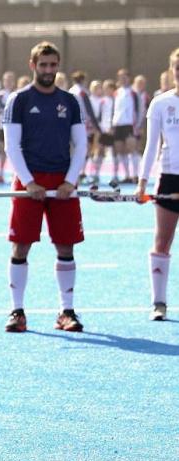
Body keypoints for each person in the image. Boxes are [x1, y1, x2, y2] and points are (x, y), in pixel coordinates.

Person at [1, 41, 87, 333]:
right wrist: (29, 182)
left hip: (62, 182)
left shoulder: (70, 101)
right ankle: (17, 311)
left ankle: (66, 312)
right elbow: (11, 146)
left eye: (53, 65)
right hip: (29, 181)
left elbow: (81, 145)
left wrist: (70, 181)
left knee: (65, 245)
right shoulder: (19, 100)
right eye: (43, 65)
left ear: (58, 66)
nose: (48, 70)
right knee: (21, 245)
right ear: (33, 65)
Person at [136, 48, 179, 321]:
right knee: (162, 240)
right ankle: (159, 303)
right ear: (172, 70)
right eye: (178, 68)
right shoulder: (161, 104)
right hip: (169, 177)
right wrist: (142, 182)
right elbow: (151, 146)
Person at [69, 71, 100, 184]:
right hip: (83, 125)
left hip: (71, 124)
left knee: (74, 149)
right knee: (84, 149)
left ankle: (75, 173)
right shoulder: (82, 92)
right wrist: (97, 127)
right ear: (83, 80)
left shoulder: (70, 91)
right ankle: (80, 172)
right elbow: (89, 110)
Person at [112, 68, 139, 183]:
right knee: (120, 150)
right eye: (120, 77)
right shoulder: (116, 92)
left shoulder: (133, 93)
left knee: (131, 148)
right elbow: (113, 109)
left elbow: (138, 109)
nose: (122, 79)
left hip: (129, 125)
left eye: (124, 77)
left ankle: (136, 175)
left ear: (129, 78)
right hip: (117, 124)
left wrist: (138, 125)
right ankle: (127, 175)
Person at [0, 70, 16, 184]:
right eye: (6, 80)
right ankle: (0, 173)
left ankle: (14, 174)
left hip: (14, 127)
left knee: (14, 151)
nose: (8, 83)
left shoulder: (17, 94)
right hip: (2, 126)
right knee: (3, 150)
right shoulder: (0, 95)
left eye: (10, 80)